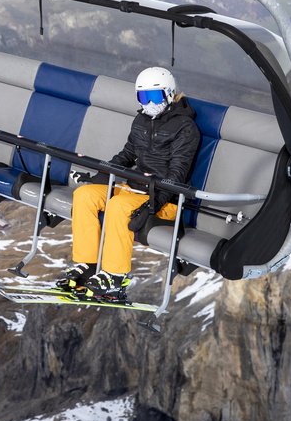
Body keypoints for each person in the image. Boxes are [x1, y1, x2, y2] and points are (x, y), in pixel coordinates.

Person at [56, 66, 201, 302]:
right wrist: (99, 178)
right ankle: (90, 265)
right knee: (85, 195)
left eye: (154, 97)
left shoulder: (186, 128)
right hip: (134, 188)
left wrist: (152, 205)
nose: (149, 104)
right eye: (143, 98)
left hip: (166, 198)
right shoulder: (141, 121)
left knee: (118, 206)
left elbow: (177, 175)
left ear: (169, 93)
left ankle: (115, 276)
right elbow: (126, 155)